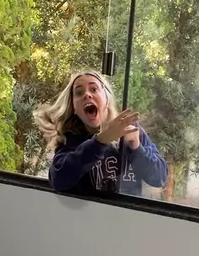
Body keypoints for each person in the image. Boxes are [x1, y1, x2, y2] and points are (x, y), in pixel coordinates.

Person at [34, 70, 168, 197]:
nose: (87, 95)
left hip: (127, 212)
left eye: (94, 89)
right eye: (79, 93)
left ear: (106, 99)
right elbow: (58, 180)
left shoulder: (130, 129)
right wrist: (99, 142)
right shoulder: (71, 138)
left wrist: (137, 147)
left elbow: (159, 178)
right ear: (74, 108)